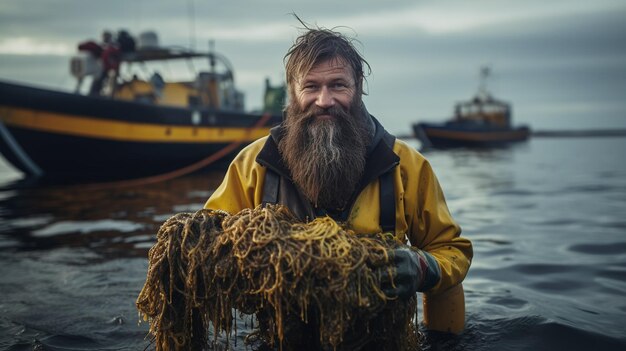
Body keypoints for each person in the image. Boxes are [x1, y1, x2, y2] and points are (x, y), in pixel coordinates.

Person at [205, 26, 473, 337]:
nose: (324, 100)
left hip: (381, 340)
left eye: (338, 85)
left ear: (358, 88)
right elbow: (209, 242)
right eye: (310, 87)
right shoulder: (253, 165)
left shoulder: (408, 166)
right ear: (292, 92)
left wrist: (423, 266)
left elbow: (451, 249)